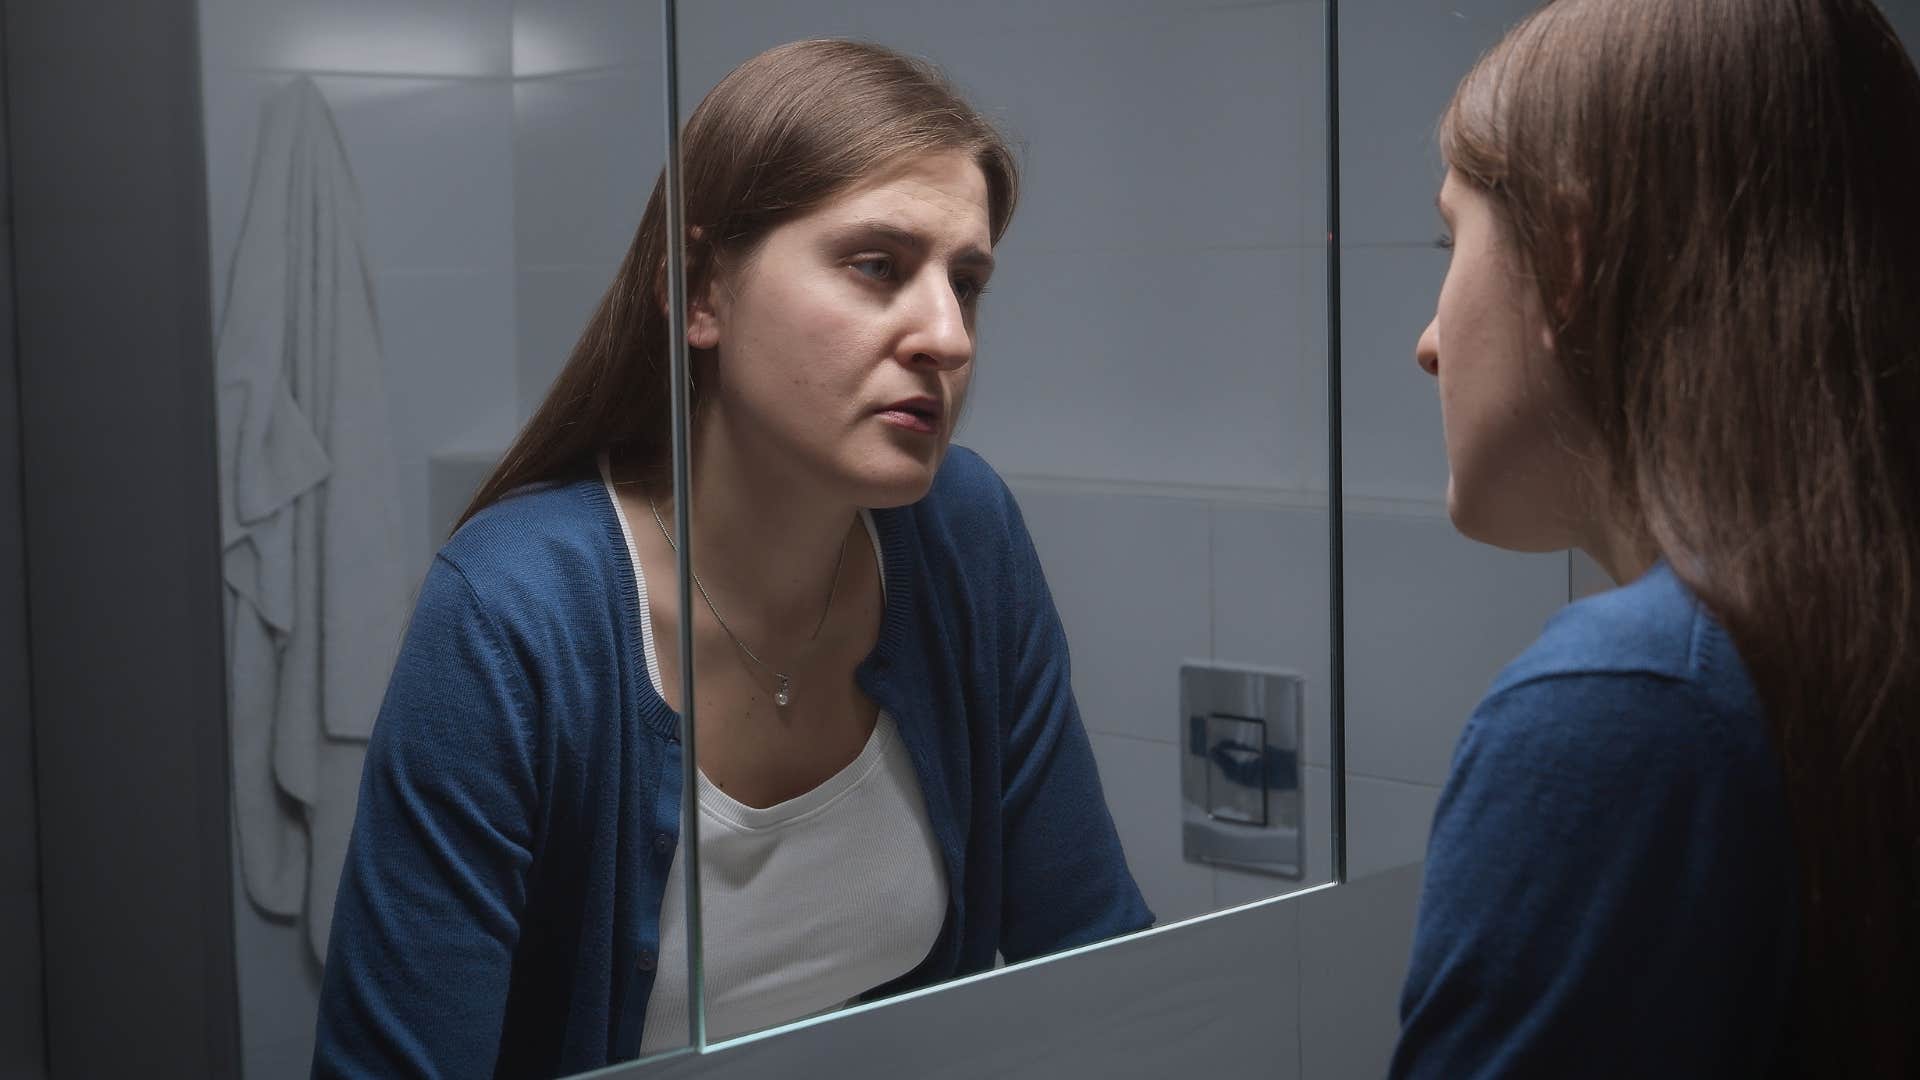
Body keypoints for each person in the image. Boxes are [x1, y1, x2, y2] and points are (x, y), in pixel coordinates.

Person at [311, 39, 1150, 1079]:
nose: (948, 335)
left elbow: (1098, 953)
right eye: (878, 266)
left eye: (966, 282)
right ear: (700, 292)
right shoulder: (516, 612)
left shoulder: (961, 534)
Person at [1392, 0, 1920, 1075]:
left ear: (1570, 259)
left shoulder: (1623, 705)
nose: (1429, 341)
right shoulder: (1864, 642)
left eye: (1454, 239)